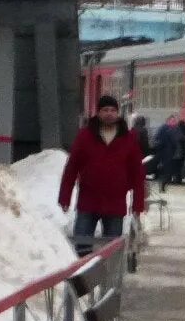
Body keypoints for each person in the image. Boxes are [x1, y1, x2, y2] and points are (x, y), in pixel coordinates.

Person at [59, 94, 147, 248]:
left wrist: (138, 204)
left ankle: (108, 272)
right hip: (88, 202)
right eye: (105, 110)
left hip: (115, 204)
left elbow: (137, 174)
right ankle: (84, 272)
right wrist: (64, 197)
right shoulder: (85, 136)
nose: (109, 113)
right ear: (98, 113)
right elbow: (71, 168)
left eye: (113, 110)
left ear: (118, 113)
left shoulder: (128, 139)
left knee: (111, 250)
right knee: (82, 246)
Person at [153, 114, 185, 187]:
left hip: (173, 151)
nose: (174, 122)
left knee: (172, 166)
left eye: (175, 121)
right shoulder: (164, 128)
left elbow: (179, 137)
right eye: (173, 121)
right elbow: (157, 138)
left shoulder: (175, 128)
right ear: (168, 121)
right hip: (166, 151)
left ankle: (167, 181)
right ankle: (165, 181)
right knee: (167, 166)